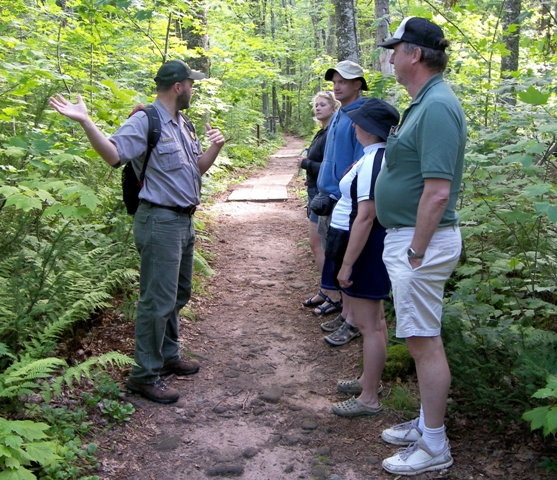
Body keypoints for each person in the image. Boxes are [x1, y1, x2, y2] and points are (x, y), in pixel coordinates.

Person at [49, 60, 225, 404]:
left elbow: (195, 170)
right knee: (156, 302)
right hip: (159, 222)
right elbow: (114, 155)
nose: (193, 89)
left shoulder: (183, 123)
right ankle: (144, 376)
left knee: (177, 295)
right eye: (192, 83)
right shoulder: (146, 120)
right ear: (178, 86)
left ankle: (168, 356)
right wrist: (86, 121)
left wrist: (214, 148)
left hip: (183, 221)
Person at [375, 17, 466, 475]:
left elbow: (438, 190)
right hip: (413, 239)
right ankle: (427, 427)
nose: (390, 58)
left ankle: (434, 445)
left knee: (424, 341)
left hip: (420, 243)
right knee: (418, 338)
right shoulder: (424, 102)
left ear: (414, 53)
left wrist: (415, 250)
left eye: (395, 50)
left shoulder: (437, 106)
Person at [315, 99, 399, 419]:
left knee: (369, 325)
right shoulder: (372, 157)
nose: (354, 126)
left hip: (364, 245)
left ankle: (369, 398)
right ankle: (368, 380)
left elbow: (366, 216)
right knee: (373, 322)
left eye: (359, 122)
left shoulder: (376, 160)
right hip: (360, 242)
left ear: (371, 129)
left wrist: (348, 264)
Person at [312, 60, 367, 347]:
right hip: (330, 198)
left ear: (358, 84)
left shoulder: (361, 114)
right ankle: (346, 313)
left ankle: (355, 321)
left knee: (350, 262)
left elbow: (363, 159)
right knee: (335, 257)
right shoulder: (338, 114)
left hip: (348, 201)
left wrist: (352, 196)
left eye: (343, 81)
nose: (337, 85)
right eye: (335, 81)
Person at [300, 92, 340, 310]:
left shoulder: (332, 134)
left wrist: (306, 163)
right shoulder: (322, 133)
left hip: (324, 194)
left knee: (322, 244)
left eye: (323, 104)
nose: (318, 108)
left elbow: (330, 166)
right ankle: (326, 290)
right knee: (316, 244)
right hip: (315, 192)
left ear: (334, 108)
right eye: (316, 105)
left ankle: (333, 295)